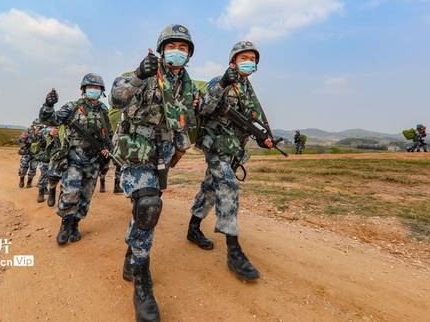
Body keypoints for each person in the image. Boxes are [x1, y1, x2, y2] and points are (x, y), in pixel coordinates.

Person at [110, 24, 197, 322]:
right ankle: (142, 278)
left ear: (189, 54)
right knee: (148, 206)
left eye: (183, 48)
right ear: (161, 49)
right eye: (172, 46)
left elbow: (186, 121)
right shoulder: (144, 73)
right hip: (135, 152)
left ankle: (130, 258)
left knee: (145, 211)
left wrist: (180, 151)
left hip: (162, 155)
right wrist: (138, 75)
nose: (178, 51)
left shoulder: (188, 85)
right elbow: (117, 99)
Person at [188, 40, 276, 282]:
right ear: (233, 62)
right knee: (228, 187)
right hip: (216, 147)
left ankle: (193, 228)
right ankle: (234, 251)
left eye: (252, 59)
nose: (249, 62)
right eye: (244, 58)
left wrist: (265, 137)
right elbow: (203, 109)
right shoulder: (220, 82)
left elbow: (255, 116)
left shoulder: (248, 88)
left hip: (234, 151)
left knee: (209, 190)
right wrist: (225, 83)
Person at [39, 73, 113, 245]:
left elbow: (107, 133)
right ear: (83, 89)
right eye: (90, 87)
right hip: (74, 158)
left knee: (86, 195)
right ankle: (65, 225)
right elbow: (51, 120)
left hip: (93, 160)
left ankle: (75, 224)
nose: (93, 90)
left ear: (101, 91)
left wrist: (107, 150)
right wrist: (48, 105)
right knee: (71, 192)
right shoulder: (72, 106)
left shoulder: (103, 110)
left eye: (97, 88)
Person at [17, 121, 40, 188]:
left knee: (33, 168)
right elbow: (20, 141)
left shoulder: (42, 132)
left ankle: (29, 182)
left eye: (39, 126)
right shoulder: (27, 131)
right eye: (36, 125)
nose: (38, 127)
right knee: (23, 167)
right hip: (26, 153)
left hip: (36, 154)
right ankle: (21, 180)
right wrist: (24, 138)